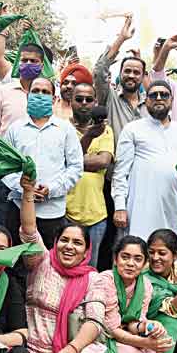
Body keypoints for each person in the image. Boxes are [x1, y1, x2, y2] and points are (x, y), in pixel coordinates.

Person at [17, 174, 112, 353]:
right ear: (55, 243)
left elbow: (94, 321)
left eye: (77, 243)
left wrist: (71, 350)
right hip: (34, 351)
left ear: (86, 251)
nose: (69, 246)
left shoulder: (94, 279)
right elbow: (29, 231)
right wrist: (28, 194)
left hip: (68, 350)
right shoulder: (41, 262)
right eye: (64, 240)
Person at [2, 77, 83, 249]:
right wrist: (24, 188)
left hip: (52, 213)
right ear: (27, 95)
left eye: (45, 92)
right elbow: (4, 167)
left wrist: (51, 189)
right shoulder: (15, 129)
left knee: (48, 267)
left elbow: (75, 168)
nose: (40, 95)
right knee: (16, 265)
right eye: (36, 91)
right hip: (18, 208)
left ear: (54, 99)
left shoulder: (65, 129)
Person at [101, 235, 172, 353]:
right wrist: (143, 341)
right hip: (100, 335)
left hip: (123, 333)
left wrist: (149, 326)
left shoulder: (145, 286)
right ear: (115, 259)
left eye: (138, 259)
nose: (131, 263)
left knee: (150, 352)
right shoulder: (105, 281)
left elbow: (133, 322)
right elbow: (111, 328)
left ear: (145, 264)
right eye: (125, 257)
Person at [112, 81, 177, 244]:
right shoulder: (133, 129)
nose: (159, 98)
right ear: (146, 100)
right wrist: (119, 206)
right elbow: (120, 173)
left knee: (171, 254)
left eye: (164, 95)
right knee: (137, 253)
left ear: (171, 100)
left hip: (174, 207)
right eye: (153, 95)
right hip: (140, 208)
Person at [66, 83, 114, 265]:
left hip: (96, 215)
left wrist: (72, 164)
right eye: (79, 99)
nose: (84, 103)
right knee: (65, 267)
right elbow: (62, 163)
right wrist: (88, 138)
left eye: (89, 99)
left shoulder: (105, 131)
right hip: (66, 212)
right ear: (70, 101)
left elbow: (103, 161)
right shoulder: (62, 129)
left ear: (95, 102)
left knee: (89, 269)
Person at [92, 16, 148, 141]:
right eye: (127, 71)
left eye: (136, 72)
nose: (131, 75)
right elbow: (100, 71)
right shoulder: (110, 98)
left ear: (143, 76)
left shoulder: (149, 103)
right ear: (120, 73)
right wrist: (121, 38)